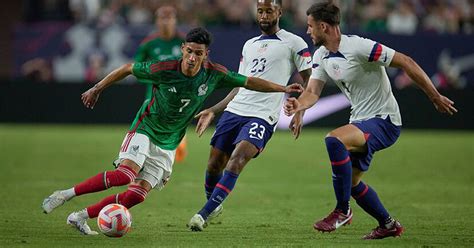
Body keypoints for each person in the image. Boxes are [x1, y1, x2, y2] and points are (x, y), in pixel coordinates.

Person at [41, 27, 302, 235]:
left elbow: (249, 81)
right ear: (182, 49)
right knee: (124, 175)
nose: (192, 57)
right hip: (146, 127)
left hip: (169, 141)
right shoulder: (164, 69)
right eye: (189, 51)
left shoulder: (214, 74)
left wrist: (283, 89)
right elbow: (127, 68)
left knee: (138, 194)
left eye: (198, 53)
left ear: (205, 54)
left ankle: (80, 216)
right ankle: (64, 195)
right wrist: (96, 88)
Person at [284, 2, 457, 240]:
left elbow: (405, 61)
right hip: (361, 121)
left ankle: (342, 211)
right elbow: (312, 92)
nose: (308, 31)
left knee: (334, 140)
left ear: (323, 26)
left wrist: (435, 96)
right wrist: (298, 106)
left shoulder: (359, 46)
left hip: (384, 121)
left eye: (310, 26)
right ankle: (388, 224)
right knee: (352, 183)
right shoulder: (322, 55)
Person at [187, 0, 312, 232]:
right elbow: (240, 84)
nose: (264, 16)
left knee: (237, 160)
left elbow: (309, 81)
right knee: (214, 165)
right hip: (235, 111)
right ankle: (213, 205)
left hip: (263, 116)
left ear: (279, 12)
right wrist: (214, 110)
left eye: (269, 11)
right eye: (260, 11)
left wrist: (300, 111)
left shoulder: (294, 43)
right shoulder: (249, 44)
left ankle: (202, 214)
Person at [135, 5, 188, 163]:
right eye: (162, 18)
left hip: (179, 94)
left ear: (175, 21)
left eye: (169, 18)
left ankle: (176, 145)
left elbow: (200, 65)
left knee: (175, 124)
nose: (166, 22)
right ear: (156, 21)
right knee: (149, 126)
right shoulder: (148, 44)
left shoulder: (184, 42)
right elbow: (136, 69)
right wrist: (154, 79)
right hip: (155, 94)